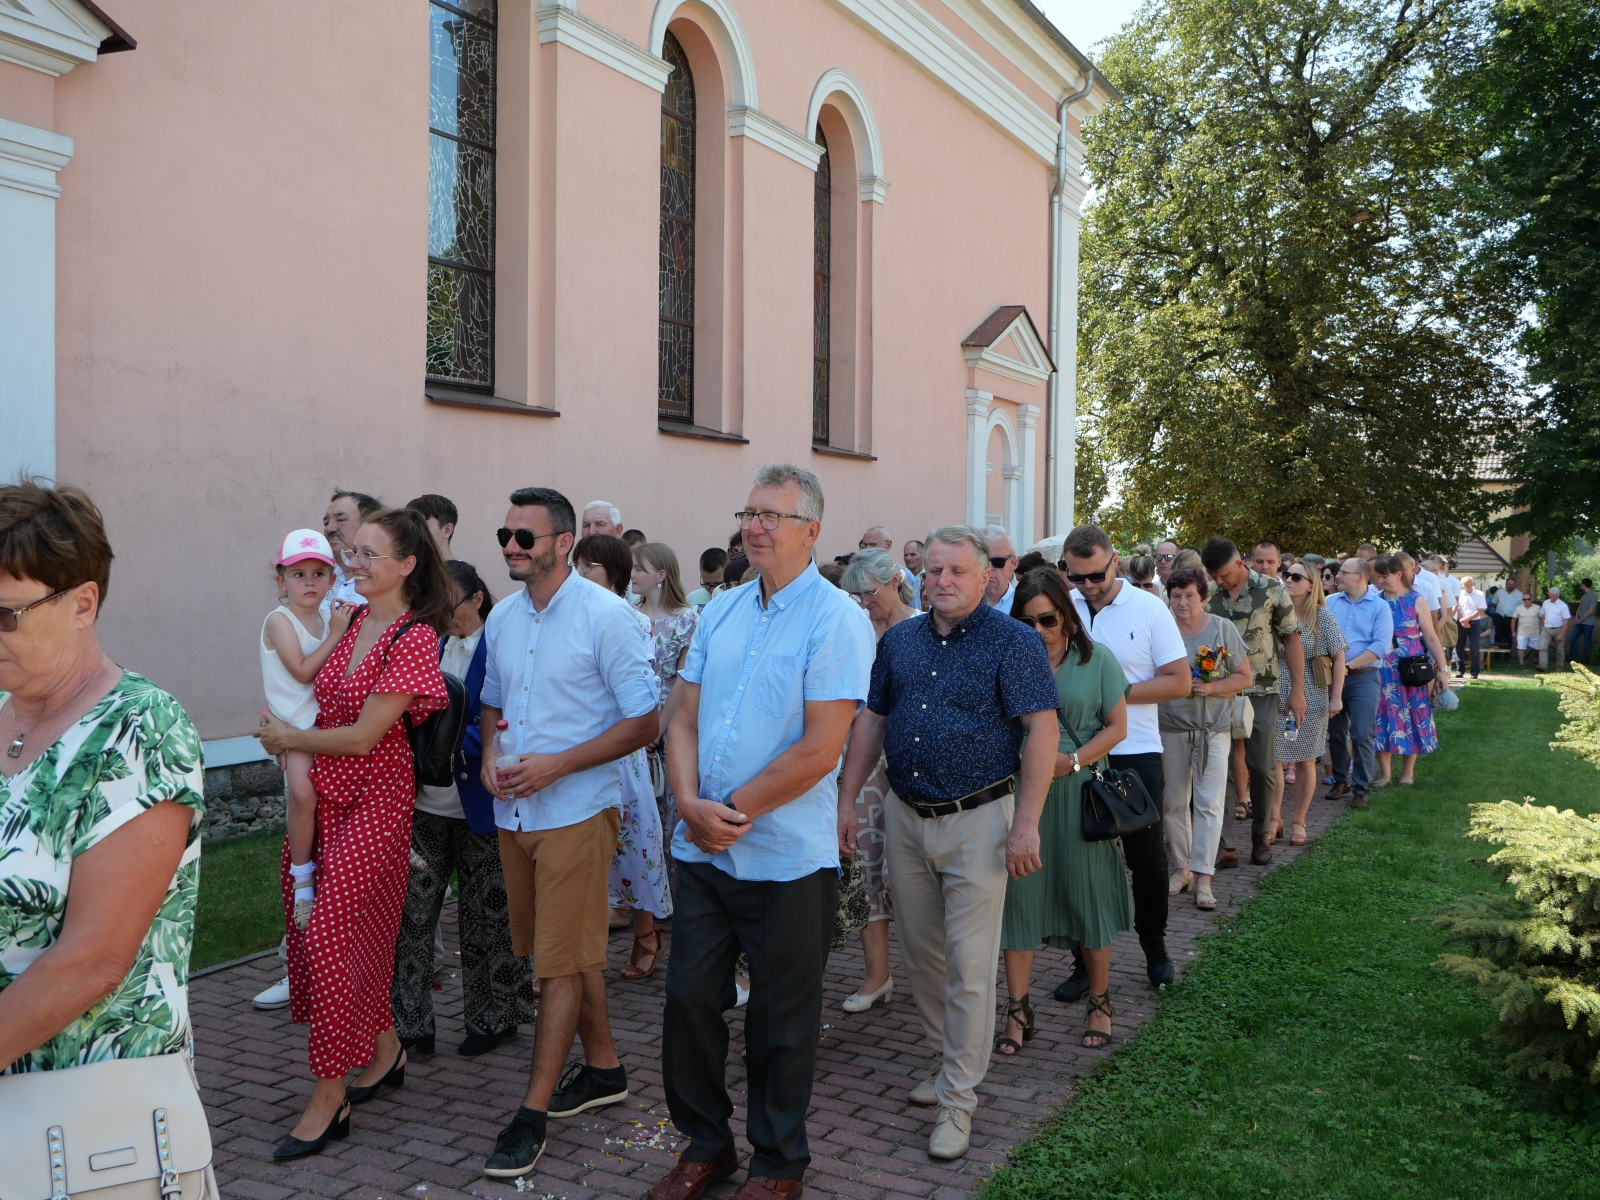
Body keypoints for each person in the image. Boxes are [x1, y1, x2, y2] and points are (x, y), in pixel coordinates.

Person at [651, 463, 873, 1200]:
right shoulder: (720, 610)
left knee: (781, 1022)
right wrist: (689, 803)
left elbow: (820, 749)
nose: (754, 527)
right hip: (705, 850)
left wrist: (728, 814)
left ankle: (778, 1166)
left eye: (772, 516)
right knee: (688, 1002)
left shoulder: (836, 618)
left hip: (785, 861)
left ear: (812, 530)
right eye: (749, 513)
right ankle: (707, 1145)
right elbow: (683, 717)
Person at [0, 480, 218, 1199]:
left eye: (4, 614)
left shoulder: (141, 730)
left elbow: (93, 960)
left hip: (88, 1139)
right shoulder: (3, 711)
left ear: (83, 603)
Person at [836, 525, 1056, 1161]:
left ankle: (959, 1097)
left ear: (987, 576)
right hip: (907, 816)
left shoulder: (1014, 641)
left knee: (969, 961)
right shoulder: (899, 641)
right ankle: (946, 1058)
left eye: (957, 571)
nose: (943, 581)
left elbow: (1041, 731)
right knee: (923, 955)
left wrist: (1026, 823)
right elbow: (873, 720)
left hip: (980, 819)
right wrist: (847, 800)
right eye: (934, 570)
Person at [256, 507, 453, 1159]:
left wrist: (290, 738)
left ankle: (328, 1093)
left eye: (369, 555)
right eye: (353, 552)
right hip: (329, 793)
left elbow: (367, 735)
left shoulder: (413, 636)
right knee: (341, 932)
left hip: (377, 798)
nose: (353, 563)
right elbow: (309, 692)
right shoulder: (349, 619)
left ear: (407, 565)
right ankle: (387, 1048)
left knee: (331, 933)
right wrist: (286, 734)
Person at [474, 490, 659, 1177]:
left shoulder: (608, 617)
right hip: (514, 814)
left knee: (555, 963)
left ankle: (531, 1114)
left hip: (577, 812)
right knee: (570, 951)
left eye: (524, 536)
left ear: (562, 542)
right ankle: (604, 1068)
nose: (511, 546)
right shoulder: (502, 616)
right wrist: (490, 753)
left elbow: (645, 722)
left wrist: (559, 765)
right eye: (505, 533)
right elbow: (492, 699)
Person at [391, 560, 535, 1058]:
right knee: (412, 916)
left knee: (488, 917)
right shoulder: (426, 644)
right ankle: (410, 1024)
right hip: (425, 806)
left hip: (483, 804)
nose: (439, 613)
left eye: (447, 603)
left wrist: (452, 743)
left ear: (476, 599)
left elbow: (513, 720)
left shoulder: (504, 646)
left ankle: (494, 1017)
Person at [998, 568, 1134, 1052]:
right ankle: (1017, 1009)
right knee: (1019, 902)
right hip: (1020, 797)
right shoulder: (1008, 661)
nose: (1038, 630)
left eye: (1048, 620)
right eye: (1027, 621)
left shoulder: (1098, 661)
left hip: (1080, 796)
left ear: (1068, 617)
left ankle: (1099, 1001)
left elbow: (1117, 727)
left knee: (1088, 898)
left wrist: (1072, 760)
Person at [1054, 525, 1188, 995]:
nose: (1087, 585)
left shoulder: (1149, 608)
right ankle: (1082, 962)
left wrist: (1112, 694)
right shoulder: (1063, 607)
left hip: (1135, 752)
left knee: (1146, 860)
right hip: (1075, 752)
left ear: (1116, 562)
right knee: (1078, 862)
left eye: (1096, 575)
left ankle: (1155, 947)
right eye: (1077, 576)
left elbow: (1179, 681)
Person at [572, 535, 675, 980]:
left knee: (632, 844)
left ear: (614, 574)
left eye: (589, 566)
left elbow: (637, 695)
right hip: (576, 747)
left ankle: (646, 934)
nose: (579, 574)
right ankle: (572, 954)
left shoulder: (632, 622)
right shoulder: (567, 616)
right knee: (577, 852)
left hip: (618, 748)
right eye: (577, 565)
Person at [834, 548, 916, 1012]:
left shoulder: (924, 627)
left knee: (916, 872)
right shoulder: (856, 631)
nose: (865, 602)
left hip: (910, 760)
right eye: (857, 595)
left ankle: (933, 975)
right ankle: (877, 976)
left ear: (895, 582)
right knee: (866, 866)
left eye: (870, 592)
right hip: (863, 761)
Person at [260, 529, 350, 930]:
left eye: (318, 574)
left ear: (332, 580)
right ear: (281, 581)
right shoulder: (279, 620)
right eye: (298, 574)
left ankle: (396, 842)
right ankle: (302, 880)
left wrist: (338, 628)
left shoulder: (330, 617)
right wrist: (337, 633)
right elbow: (300, 672)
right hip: (295, 727)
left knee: (356, 780)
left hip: (329, 722)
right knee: (301, 794)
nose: (309, 582)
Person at [1201, 536, 1304, 865]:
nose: (1220, 581)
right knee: (1222, 767)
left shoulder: (1271, 589)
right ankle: (1224, 845)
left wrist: (1297, 691)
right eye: (1214, 576)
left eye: (1224, 575)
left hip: (1262, 691)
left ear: (1239, 563)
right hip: (1219, 693)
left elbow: (1291, 639)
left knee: (1261, 766)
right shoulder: (1208, 592)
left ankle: (1261, 834)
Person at [1161, 568, 1252, 908]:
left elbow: (1244, 676)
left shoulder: (1222, 629)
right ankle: (1182, 868)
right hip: (1170, 726)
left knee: (1209, 804)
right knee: (1173, 802)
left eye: (1189, 595)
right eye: (1176, 596)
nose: (1182, 602)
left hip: (1213, 729)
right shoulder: (1161, 628)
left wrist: (1214, 688)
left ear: (1203, 597)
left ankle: (1204, 877)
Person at [632, 542, 699, 902]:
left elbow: (684, 681)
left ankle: (674, 897)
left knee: (671, 811)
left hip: (672, 725)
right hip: (631, 723)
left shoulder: (688, 619)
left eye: (639, 569)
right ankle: (639, 898)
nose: (632, 575)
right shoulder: (627, 614)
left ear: (661, 575)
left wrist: (656, 729)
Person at [1274, 561, 1347, 842]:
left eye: (1296, 576)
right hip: (1276, 696)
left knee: (1305, 760)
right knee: (1274, 759)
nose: (1288, 580)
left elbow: (1339, 656)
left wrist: (1336, 696)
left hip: (1309, 697)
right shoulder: (1274, 612)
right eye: (1286, 575)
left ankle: (1299, 821)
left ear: (1310, 585)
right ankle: (1274, 818)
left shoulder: (1321, 616)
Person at [1326, 558, 1393, 808]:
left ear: (1360, 577)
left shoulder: (1380, 607)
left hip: (1364, 675)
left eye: (1344, 572)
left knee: (1362, 732)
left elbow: (1381, 646)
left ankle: (1361, 788)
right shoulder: (1330, 602)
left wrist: (1347, 666)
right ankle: (1341, 780)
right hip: (1331, 677)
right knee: (1335, 732)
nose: (1337, 576)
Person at [1371, 554, 1444, 786]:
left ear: (1399, 574)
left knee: (1412, 713)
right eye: (1379, 576)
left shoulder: (1416, 600)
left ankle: (1407, 773)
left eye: (1385, 576)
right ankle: (1385, 774)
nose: (1381, 580)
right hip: (1383, 666)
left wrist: (1443, 668)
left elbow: (1430, 636)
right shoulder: (1376, 601)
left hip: (1410, 666)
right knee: (1383, 714)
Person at [322, 489, 382, 613]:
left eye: (340, 520)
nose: (329, 528)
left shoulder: (382, 584)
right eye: (326, 522)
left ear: (368, 526)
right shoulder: (321, 580)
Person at [1454, 576, 1492, 679]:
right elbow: (1456, 608)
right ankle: (1459, 670)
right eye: (1465, 586)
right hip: (1461, 622)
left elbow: (1480, 609)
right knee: (1459, 647)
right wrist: (1462, 620)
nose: (1467, 588)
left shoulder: (1479, 594)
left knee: (1474, 648)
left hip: (1474, 623)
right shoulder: (1459, 594)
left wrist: (1467, 619)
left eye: (1469, 585)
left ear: (1473, 584)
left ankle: (1474, 673)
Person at [981, 524, 1020, 614]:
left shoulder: (1024, 604)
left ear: (1013, 563)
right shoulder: (963, 604)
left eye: (997, 562)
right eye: (983, 561)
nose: (989, 569)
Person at [407, 493, 458, 559]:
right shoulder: (407, 564)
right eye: (411, 526)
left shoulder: (461, 566)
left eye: (423, 526)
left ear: (447, 530)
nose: (414, 532)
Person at [1541, 586, 1572, 670]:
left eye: (1554, 596)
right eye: (1551, 596)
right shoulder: (1545, 603)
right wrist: (1542, 626)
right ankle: (1542, 666)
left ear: (1558, 595)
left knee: (1560, 650)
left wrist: (1562, 634)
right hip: (1546, 628)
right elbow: (1542, 615)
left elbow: (1566, 621)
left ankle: (1559, 667)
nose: (1552, 598)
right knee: (1542, 647)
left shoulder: (1563, 605)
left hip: (1558, 629)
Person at [1570, 579, 1596, 664]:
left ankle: (1586, 661)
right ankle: (1573, 659)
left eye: (1581, 584)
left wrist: (1581, 619)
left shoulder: (1593, 595)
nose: (1580, 586)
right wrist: (1576, 617)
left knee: (1587, 642)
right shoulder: (1584, 595)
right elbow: (1580, 607)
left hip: (1588, 623)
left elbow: (1590, 611)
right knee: (1572, 638)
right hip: (1580, 622)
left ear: (1584, 585)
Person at [1493, 579, 1524, 649]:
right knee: (1498, 635)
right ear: (1506, 584)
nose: (1511, 586)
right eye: (1510, 584)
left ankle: (1507, 652)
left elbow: (1521, 607)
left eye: (1513, 584)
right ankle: (1497, 653)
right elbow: (1494, 603)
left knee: (1509, 636)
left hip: (1511, 619)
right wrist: (1500, 610)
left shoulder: (1519, 595)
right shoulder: (1499, 592)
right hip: (1499, 617)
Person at [1514, 591, 1543, 665]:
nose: (1526, 601)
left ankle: (1535, 658)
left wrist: (1543, 629)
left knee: (1536, 648)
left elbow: (1542, 618)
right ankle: (1521, 663)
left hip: (1534, 632)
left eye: (1528, 599)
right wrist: (1513, 631)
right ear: (1522, 600)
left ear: (1531, 599)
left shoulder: (1537, 607)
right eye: (1524, 599)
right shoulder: (1518, 608)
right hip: (1522, 632)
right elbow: (1513, 619)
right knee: (1521, 648)